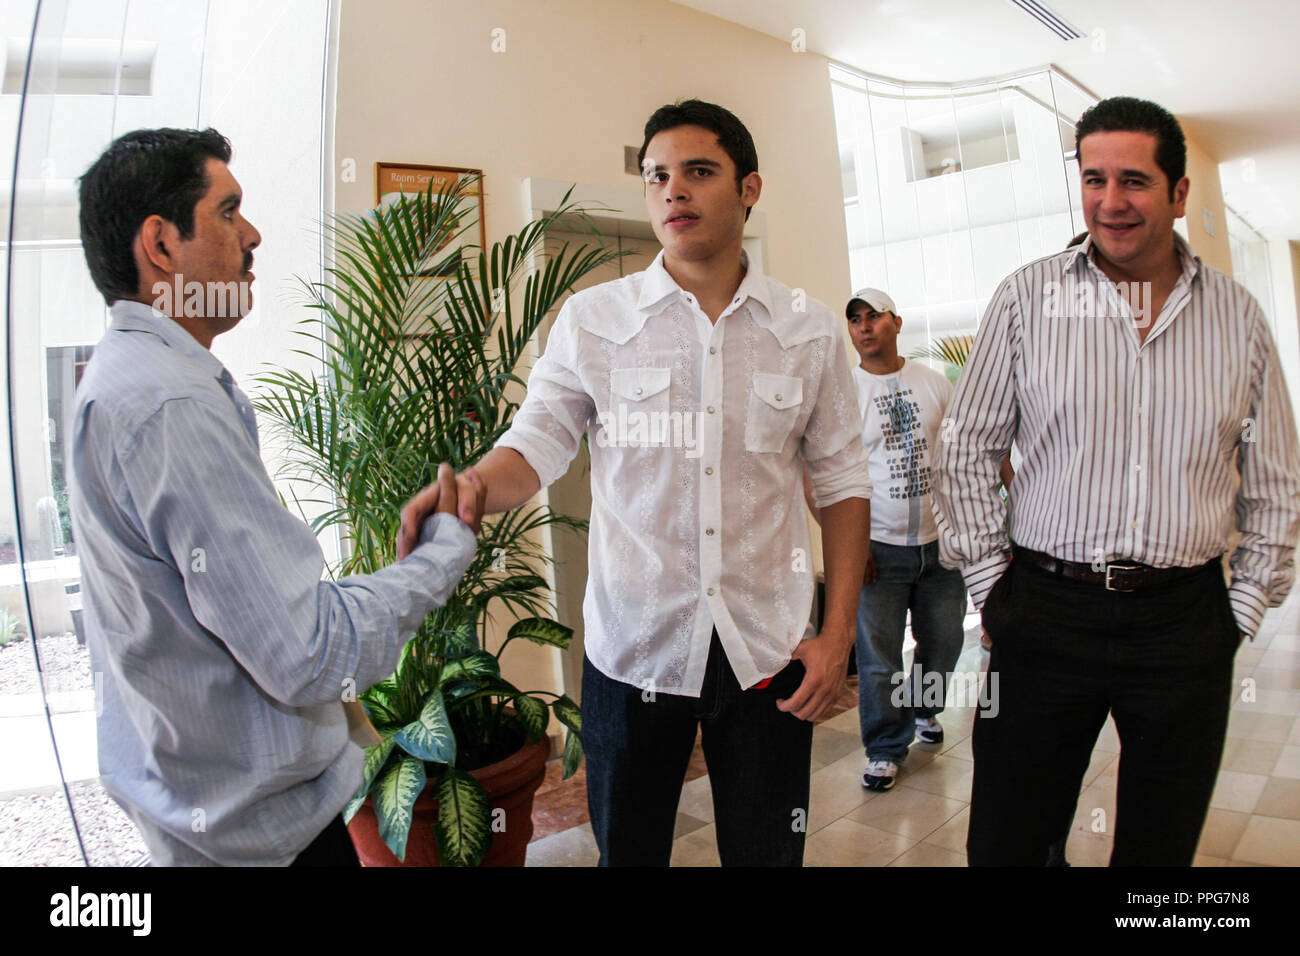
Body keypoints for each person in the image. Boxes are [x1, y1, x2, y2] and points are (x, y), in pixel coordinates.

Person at [401, 99, 872, 866]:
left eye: (698, 171)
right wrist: (473, 491)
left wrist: (838, 631)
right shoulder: (594, 319)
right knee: (630, 851)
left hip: (768, 648)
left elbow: (844, 482)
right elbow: (537, 440)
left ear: (749, 188)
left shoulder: (808, 328)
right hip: (635, 649)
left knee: (768, 852)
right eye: (656, 176)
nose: (672, 190)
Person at [70, 128, 484, 866]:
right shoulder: (171, 406)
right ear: (162, 246)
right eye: (228, 212)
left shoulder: (130, 380)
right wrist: (445, 548)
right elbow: (311, 652)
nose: (252, 234)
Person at [934, 96, 1300, 866]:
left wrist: (1238, 612)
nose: (1110, 201)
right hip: (1044, 611)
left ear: (1178, 193)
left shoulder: (1238, 319)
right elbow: (965, 449)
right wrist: (992, 587)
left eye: (1133, 179)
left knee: (1159, 853)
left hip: (1184, 622)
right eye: (1093, 177)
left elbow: (1275, 486)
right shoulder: (1027, 300)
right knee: (1007, 840)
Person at [804, 288, 966, 792]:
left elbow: (965, 456)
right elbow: (818, 478)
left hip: (942, 546)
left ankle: (923, 708)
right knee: (878, 658)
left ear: (896, 323)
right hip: (878, 551)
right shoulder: (843, 394)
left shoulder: (936, 385)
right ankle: (885, 748)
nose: (865, 327)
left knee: (943, 643)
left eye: (874, 317)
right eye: (855, 320)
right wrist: (850, 549)